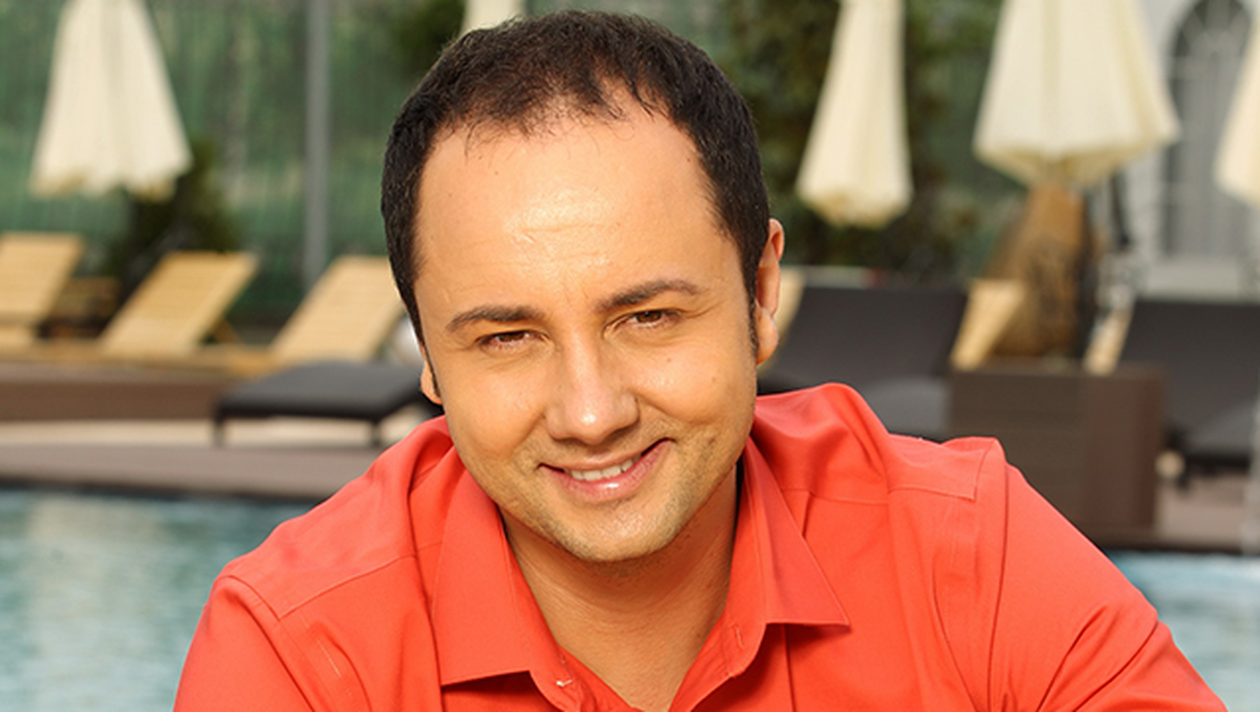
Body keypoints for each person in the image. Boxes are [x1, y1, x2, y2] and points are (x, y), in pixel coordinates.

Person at [175, 11, 1224, 711]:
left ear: (762, 293)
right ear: (428, 360)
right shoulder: (302, 651)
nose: (590, 412)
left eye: (648, 318)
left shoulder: (965, 557)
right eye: (506, 338)